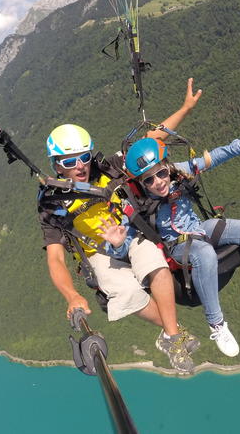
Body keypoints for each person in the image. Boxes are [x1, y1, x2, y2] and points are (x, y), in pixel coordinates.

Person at [38, 79, 204, 373]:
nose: (80, 165)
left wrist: (185, 109)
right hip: (96, 252)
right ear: (56, 165)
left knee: (157, 265)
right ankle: (173, 331)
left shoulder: (108, 168)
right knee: (127, 294)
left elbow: (150, 142)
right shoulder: (52, 202)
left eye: (84, 157)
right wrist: (71, 295)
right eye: (69, 161)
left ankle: (172, 337)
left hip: (128, 233)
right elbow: (55, 257)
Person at [104, 125, 240, 357]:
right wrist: (116, 244)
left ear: (167, 166)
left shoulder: (179, 172)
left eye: (161, 173)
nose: (158, 182)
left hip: (199, 229)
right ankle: (217, 325)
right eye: (149, 180)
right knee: (204, 254)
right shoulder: (134, 202)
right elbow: (126, 247)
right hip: (175, 245)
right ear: (140, 182)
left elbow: (211, 159)